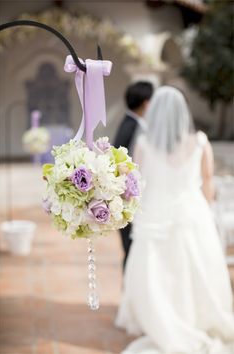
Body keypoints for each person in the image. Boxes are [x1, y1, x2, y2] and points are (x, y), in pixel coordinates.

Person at [116, 86, 234, 354]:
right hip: (192, 212)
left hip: (155, 211)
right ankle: (192, 316)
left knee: (156, 268)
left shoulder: (145, 143)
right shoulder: (201, 141)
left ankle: (158, 316)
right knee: (195, 267)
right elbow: (207, 182)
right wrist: (208, 209)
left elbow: (136, 183)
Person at [114, 81, 154, 270]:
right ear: (147, 103)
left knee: (132, 250)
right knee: (132, 250)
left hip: (128, 197)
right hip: (129, 199)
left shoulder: (128, 123)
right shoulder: (135, 128)